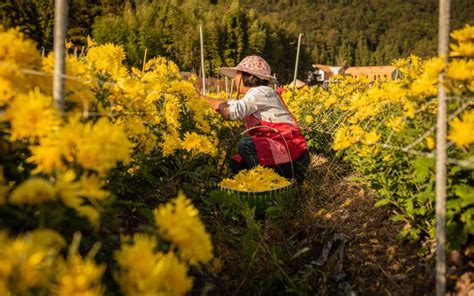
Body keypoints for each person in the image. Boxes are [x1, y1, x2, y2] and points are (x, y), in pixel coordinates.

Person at [198, 55, 310, 182]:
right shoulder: (258, 94)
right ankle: (252, 189)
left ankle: (265, 184)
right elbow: (227, 105)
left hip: (294, 156)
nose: (235, 78)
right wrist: (200, 98)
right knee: (237, 162)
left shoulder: (260, 92)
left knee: (246, 145)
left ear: (250, 76)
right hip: (288, 154)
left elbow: (230, 112)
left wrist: (213, 103)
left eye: (238, 74)